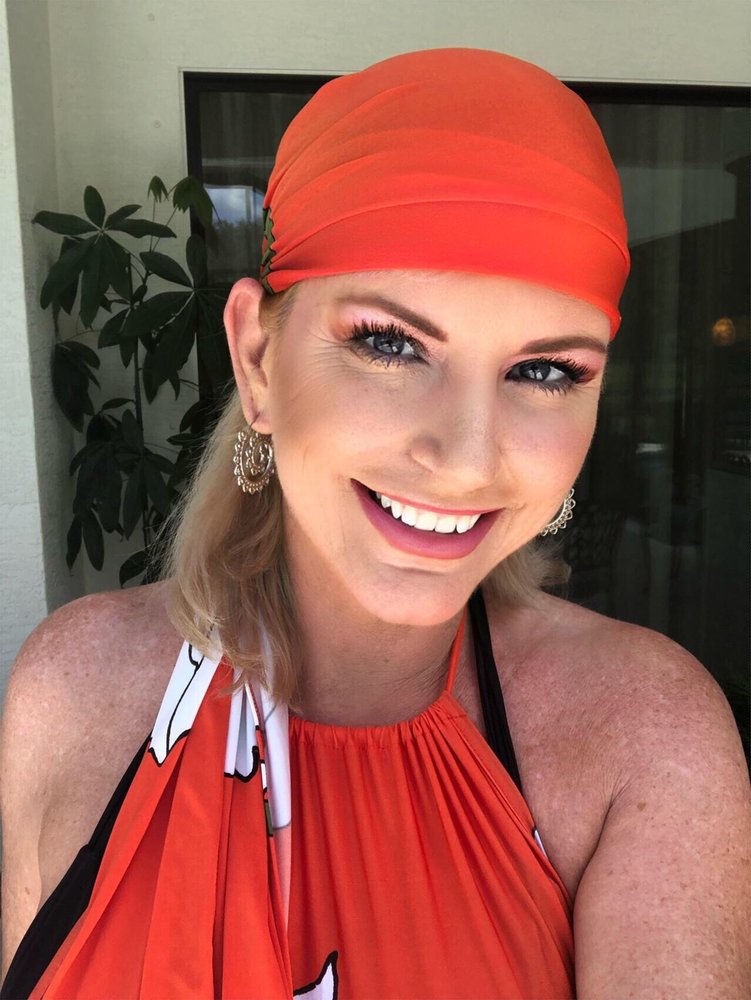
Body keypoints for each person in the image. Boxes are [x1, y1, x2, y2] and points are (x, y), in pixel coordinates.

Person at [1, 47, 749, 1000]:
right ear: (257, 358)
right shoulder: (72, 689)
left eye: (545, 371)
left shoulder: (642, 733)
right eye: (390, 345)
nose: (468, 458)